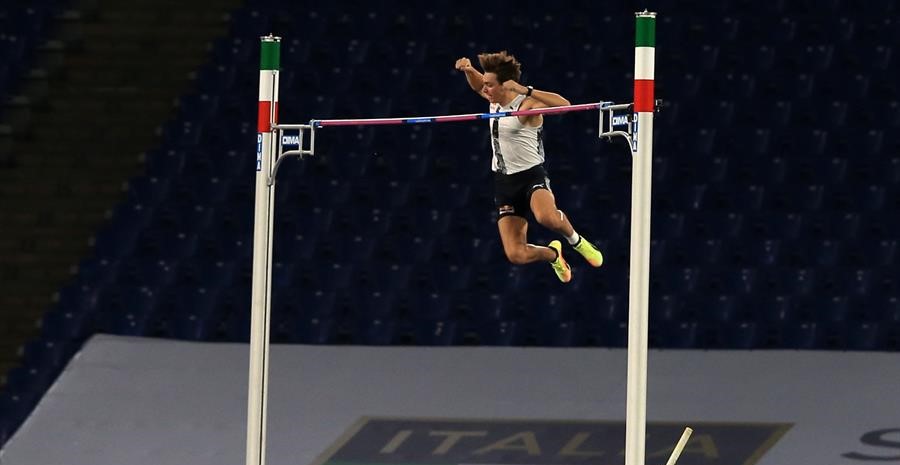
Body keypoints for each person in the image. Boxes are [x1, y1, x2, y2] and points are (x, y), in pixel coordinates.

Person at [454, 51, 603, 283]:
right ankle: (553, 255)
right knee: (516, 254)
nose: (486, 89)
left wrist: (526, 89)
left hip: (530, 175)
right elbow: (477, 86)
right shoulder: (494, 99)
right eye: (486, 85)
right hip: (504, 182)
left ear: (507, 86)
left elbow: (566, 106)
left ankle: (577, 241)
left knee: (546, 217)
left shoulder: (526, 106)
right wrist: (469, 70)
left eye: (490, 85)